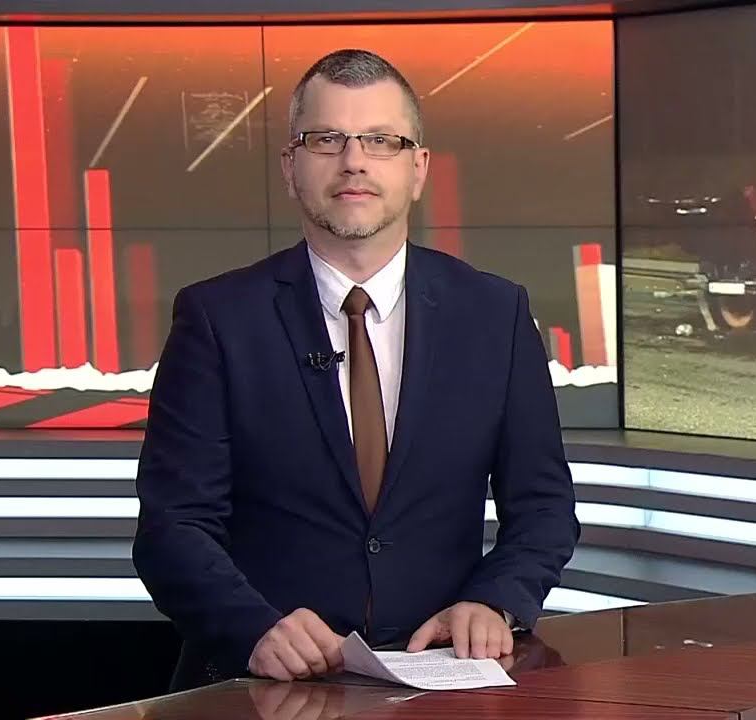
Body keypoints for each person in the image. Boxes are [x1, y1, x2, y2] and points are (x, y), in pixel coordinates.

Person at [133, 48, 579, 691]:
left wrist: (496, 600)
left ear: (418, 168)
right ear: (290, 167)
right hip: (262, 683)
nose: (354, 160)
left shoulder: (495, 313)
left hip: (442, 677)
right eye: (326, 139)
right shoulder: (216, 318)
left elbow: (543, 507)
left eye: (381, 140)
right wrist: (254, 627)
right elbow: (172, 526)